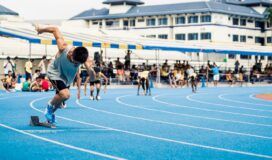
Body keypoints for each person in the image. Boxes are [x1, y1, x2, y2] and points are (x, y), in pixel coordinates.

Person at [35, 24, 93, 127]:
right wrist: (41, 29)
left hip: (67, 79)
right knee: (66, 94)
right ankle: (49, 107)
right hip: (54, 73)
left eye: (78, 63)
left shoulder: (84, 59)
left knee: (62, 99)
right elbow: (55, 29)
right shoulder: (63, 48)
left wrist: (89, 69)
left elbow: (91, 75)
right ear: (71, 54)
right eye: (75, 62)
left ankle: (51, 114)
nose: (75, 64)